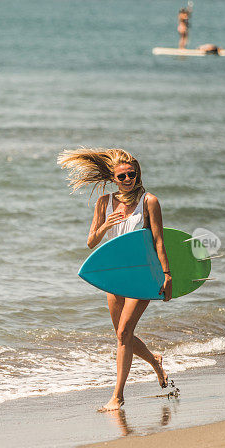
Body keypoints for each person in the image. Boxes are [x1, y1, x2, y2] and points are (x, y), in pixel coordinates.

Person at [57, 148, 171, 412]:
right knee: (123, 335)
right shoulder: (104, 203)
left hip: (143, 273)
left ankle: (117, 397)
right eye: (123, 176)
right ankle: (155, 361)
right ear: (113, 178)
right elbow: (91, 242)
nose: (128, 178)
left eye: (132, 174)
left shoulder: (149, 201)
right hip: (114, 275)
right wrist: (105, 226)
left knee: (123, 333)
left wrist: (167, 275)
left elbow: (159, 241)